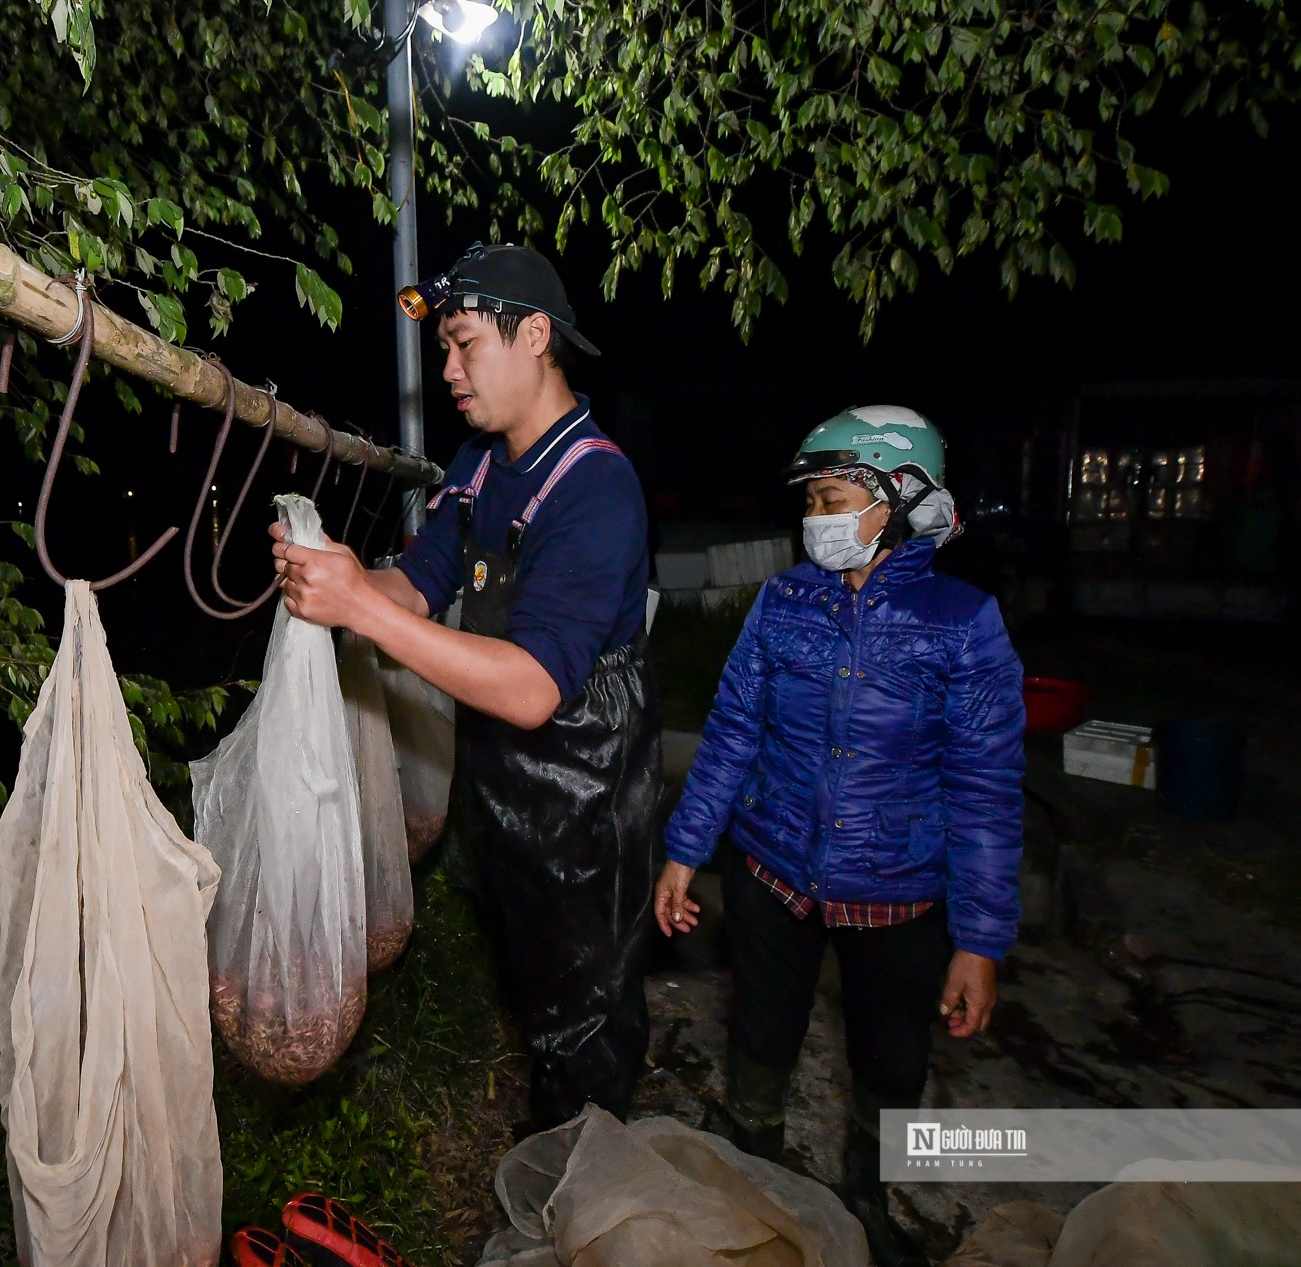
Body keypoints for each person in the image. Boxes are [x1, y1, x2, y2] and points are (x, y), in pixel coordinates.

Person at [272, 244, 661, 1134]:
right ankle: (554, 1140)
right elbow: (416, 582)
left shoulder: (596, 487)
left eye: (462, 344)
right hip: (506, 781)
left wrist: (361, 615)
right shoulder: (480, 464)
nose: (447, 370)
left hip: (587, 797)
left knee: (588, 1015)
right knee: (537, 986)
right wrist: (334, 576)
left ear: (533, 337)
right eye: (441, 348)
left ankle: (586, 1171)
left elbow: (530, 688)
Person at [652, 407, 1025, 1267]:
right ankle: (755, 1167)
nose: (815, 514)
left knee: (891, 1059)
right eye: (811, 499)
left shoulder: (964, 621)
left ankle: (868, 1189)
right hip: (772, 873)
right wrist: (685, 848)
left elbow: (986, 791)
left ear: (899, 499)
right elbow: (733, 731)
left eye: (832, 495)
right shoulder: (784, 601)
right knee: (760, 1032)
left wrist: (981, 939)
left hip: (900, 896)